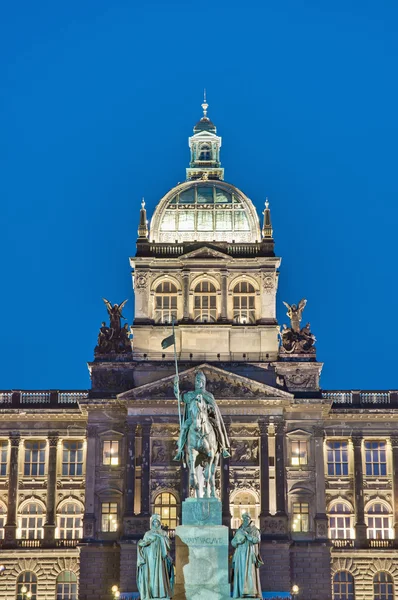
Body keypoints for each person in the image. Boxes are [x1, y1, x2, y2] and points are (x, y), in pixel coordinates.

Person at [173, 370, 230, 461]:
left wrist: (208, 407)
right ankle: (180, 450)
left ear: (203, 383)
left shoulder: (208, 395)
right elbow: (178, 396)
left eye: (199, 381)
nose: (197, 382)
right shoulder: (190, 395)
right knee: (184, 427)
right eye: (196, 381)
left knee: (218, 427)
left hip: (207, 418)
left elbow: (213, 408)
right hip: (193, 419)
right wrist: (175, 385)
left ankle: (223, 448)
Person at [137, 514, 174, 600]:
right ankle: (152, 593)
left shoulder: (164, 533)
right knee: (151, 575)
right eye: (154, 521)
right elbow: (143, 544)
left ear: (160, 522)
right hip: (150, 558)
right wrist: (144, 543)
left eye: (157, 521)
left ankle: (162, 594)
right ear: (152, 523)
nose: (156, 523)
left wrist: (160, 537)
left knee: (161, 574)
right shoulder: (147, 533)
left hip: (160, 558)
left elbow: (168, 545)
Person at [231, 512, 263, 598]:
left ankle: (250, 593)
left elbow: (257, 540)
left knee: (249, 572)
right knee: (240, 573)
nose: (245, 520)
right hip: (239, 555)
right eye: (243, 518)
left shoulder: (255, 530)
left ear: (250, 519)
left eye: (246, 518)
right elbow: (233, 542)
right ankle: (240, 592)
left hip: (249, 554)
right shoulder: (239, 530)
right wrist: (237, 542)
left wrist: (247, 535)